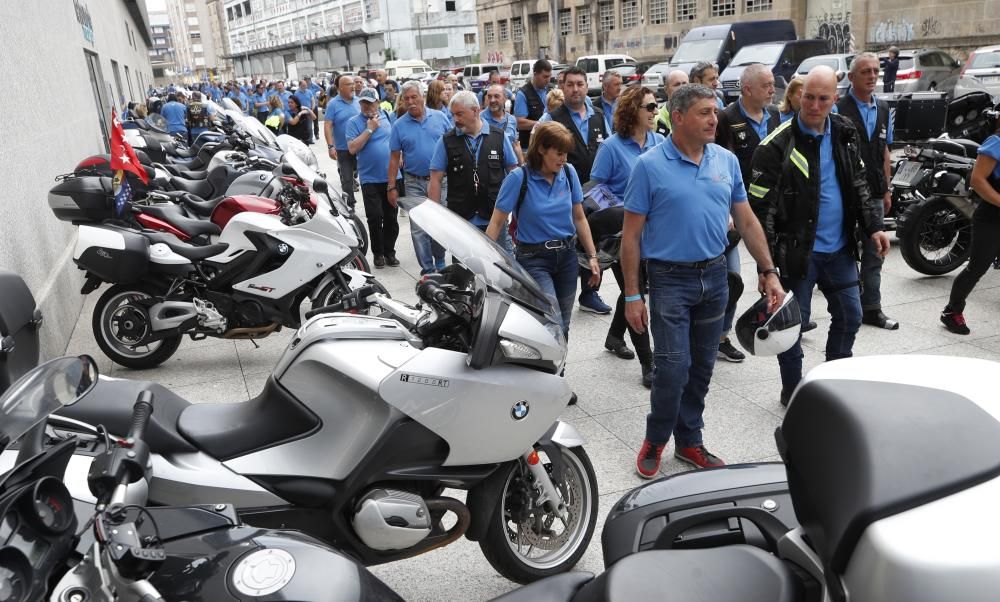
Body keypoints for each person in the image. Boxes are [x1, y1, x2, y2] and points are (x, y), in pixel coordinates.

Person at [622, 83, 785, 476]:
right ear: (678, 117)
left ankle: (690, 441)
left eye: (715, 111)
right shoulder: (649, 165)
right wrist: (631, 295)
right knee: (673, 367)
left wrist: (768, 270)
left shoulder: (725, 161)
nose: (715, 119)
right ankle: (656, 439)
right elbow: (631, 236)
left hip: (715, 278)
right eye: (704, 112)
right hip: (669, 280)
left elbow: (745, 219)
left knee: (702, 368)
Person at [749, 66, 890, 407]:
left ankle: (834, 380)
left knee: (852, 315)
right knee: (790, 327)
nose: (813, 105)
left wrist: (874, 226)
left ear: (834, 99)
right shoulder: (775, 146)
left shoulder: (844, 131)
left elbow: (858, 183)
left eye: (822, 99)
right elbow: (759, 213)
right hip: (797, 254)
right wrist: (765, 268)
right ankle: (793, 390)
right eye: (808, 97)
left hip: (840, 248)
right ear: (798, 96)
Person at [485, 121, 602, 336]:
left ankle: (558, 370)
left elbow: (579, 217)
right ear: (541, 149)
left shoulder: (568, 173)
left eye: (566, 153)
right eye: (559, 153)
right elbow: (496, 222)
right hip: (533, 258)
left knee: (564, 323)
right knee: (551, 322)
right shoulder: (518, 178)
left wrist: (592, 256)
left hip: (567, 256)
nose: (564, 159)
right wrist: (484, 263)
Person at [589, 86, 663, 388]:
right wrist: (620, 210)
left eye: (656, 106)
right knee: (636, 291)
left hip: (655, 230)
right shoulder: (611, 147)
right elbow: (595, 188)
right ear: (633, 110)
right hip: (623, 233)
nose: (655, 111)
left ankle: (614, 335)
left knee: (633, 288)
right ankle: (648, 362)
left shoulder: (660, 142)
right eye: (650, 106)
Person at [714, 63, 781, 363]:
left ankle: (776, 315)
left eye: (772, 84)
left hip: (771, 206)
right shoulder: (726, 118)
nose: (772, 90)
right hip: (734, 209)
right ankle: (721, 335)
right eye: (766, 85)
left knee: (772, 266)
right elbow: (718, 164)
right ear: (747, 88)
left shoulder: (776, 116)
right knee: (732, 277)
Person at [836, 53, 899, 331]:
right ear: (851, 77)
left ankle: (871, 308)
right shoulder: (838, 108)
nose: (872, 76)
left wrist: (886, 189)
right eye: (866, 71)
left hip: (874, 192)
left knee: (875, 253)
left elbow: (884, 150)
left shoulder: (884, 108)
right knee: (844, 252)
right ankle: (845, 307)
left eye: (876, 71)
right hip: (844, 193)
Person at [542, 66, 611, 314]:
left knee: (596, 241)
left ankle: (590, 292)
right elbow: (539, 152)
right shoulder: (552, 118)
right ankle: (564, 291)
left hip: (597, 194)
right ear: (562, 87)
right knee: (573, 241)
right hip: (565, 191)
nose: (575, 89)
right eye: (570, 84)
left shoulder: (599, 115)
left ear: (586, 85)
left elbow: (609, 148)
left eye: (580, 84)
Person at [430, 90, 519, 255]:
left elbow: (514, 172)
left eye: (460, 114)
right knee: (463, 272)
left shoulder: (498, 137)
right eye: (453, 115)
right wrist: (435, 215)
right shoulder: (446, 141)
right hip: (461, 220)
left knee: (496, 270)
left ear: (476, 111)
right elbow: (435, 179)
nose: (455, 119)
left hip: (494, 217)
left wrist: (515, 210)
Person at [387, 81, 453, 274]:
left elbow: (452, 144)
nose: (410, 102)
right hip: (413, 181)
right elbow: (393, 158)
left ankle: (440, 261)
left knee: (439, 225)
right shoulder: (399, 125)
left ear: (422, 97)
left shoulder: (440, 118)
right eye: (406, 98)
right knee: (418, 229)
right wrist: (391, 186)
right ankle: (428, 268)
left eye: (414, 97)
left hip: (439, 181)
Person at [941, 128, 1000, 334]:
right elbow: (977, 180)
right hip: (992, 218)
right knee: (977, 268)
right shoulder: (996, 142)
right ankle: (952, 311)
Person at [347, 88, 401, 269]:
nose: (366, 106)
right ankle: (378, 254)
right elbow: (352, 149)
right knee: (375, 217)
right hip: (369, 178)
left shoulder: (388, 116)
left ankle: (389, 252)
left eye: (369, 103)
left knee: (391, 219)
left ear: (377, 102)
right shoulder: (354, 123)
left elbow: (397, 141)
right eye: (363, 102)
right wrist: (369, 130)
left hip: (391, 177)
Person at [325, 74, 362, 201]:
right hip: (343, 149)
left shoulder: (359, 102)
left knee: (366, 177)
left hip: (361, 147)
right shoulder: (333, 104)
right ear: (339, 88)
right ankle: (349, 206)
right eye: (349, 84)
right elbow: (328, 126)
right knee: (346, 180)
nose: (353, 86)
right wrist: (330, 146)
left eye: (353, 84)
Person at [481, 84, 525, 166]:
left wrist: (521, 165)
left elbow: (516, 147)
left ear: (505, 98)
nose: (492, 100)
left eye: (496, 96)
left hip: (508, 171)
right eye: (489, 97)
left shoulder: (512, 119)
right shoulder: (480, 119)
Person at [514, 59, 552, 151]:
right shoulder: (523, 94)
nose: (548, 80)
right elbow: (519, 123)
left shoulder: (550, 90)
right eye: (545, 77)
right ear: (535, 74)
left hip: (548, 146)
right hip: (529, 147)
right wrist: (544, 124)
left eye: (549, 76)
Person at [654, 70, 688, 136]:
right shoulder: (655, 119)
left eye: (684, 84)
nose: (682, 88)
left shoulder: (696, 116)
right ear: (666, 90)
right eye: (677, 85)